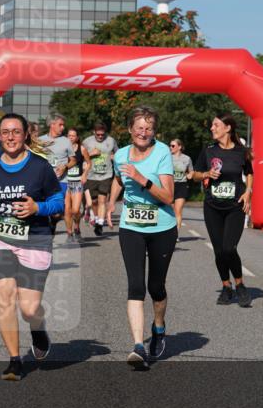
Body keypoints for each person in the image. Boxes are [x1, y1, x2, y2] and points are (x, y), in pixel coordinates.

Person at [0, 113, 64, 381]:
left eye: (15, 132)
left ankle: (38, 328)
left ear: (25, 135)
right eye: (5, 132)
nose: (10, 137)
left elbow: (58, 201)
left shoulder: (40, 167)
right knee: (4, 298)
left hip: (35, 239)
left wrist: (38, 207)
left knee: (28, 308)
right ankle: (14, 360)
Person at [108, 108, 177, 369]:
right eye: (139, 127)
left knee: (155, 287)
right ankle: (138, 346)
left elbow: (169, 196)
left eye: (148, 128)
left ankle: (158, 328)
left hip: (162, 226)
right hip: (131, 227)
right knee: (135, 285)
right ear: (129, 129)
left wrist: (142, 179)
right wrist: (110, 203)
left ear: (154, 132)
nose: (143, 132)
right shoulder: (122, 155)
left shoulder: (162, 153)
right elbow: (118, 177)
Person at [192, 113, 254, 308]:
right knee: (219, 251)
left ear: (227, 128)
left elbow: (249, 171)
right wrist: (206, 174)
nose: (212, 128)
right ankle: (226, 288)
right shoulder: (209, 150)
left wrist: (248, 192)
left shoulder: (241, 151)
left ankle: (240, 284)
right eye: (212, 125)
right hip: (212, 207)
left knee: (229, 248)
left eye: (216, 125)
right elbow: (194, 174)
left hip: (235, 207)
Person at [35, 113, 76, 233]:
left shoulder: (66, 141)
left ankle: (61, 227)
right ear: (52, 125)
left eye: (63, 125)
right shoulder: (40, 140)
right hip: (44, 181)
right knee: (47, 208)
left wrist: (65, 167)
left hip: (61, 181)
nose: (63, 127)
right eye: (60, 125)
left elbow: (73, 160)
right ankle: (49, 224)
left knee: (60, 210)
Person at [82, 121, 118, 236]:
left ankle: (100, 225)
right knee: (93, 201)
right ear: (94, 132)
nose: (101, 137)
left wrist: (114, 157)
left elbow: (118, 153)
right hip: (91, 175)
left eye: (103, 134)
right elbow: (79, 156)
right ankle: (97, 218)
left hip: (106, 175)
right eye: (98, 135)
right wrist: (90, 154)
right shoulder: (87, 142)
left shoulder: (111, 141)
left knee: (102, 200)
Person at [64, 127, 89, 242]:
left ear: (77, 137)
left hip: (77, 182)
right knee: (67, 210)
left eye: (73, 136)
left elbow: (89, 163)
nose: (71, 138)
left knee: (75, 210)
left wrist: (85, 174)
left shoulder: (82, 149)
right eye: (69, 135)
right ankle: (69, 234)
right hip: (65, 182)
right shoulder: (62, 149)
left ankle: (77, 227)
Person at [170, 138, 194, 235]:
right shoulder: (167, 157)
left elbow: (191, 170)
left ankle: (176, 234)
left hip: (181, 185)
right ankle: (169, 232)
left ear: (179, 147)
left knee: (178, 210)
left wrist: (190, 175)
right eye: (170, 145)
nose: (170, 147)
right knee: (171, 212)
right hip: (170, 185)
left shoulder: (187, 158)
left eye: (173, 146)